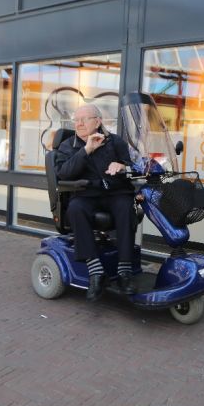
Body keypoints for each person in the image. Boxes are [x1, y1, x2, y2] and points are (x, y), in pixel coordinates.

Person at [55, 104, 136, 301]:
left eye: (84, 119)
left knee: (126, 207)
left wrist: (122, 166)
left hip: (115, 192)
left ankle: (124, 271)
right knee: (75, 208)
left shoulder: (115, 142)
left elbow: (133, 166)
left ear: (98, 121)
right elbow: (64, 173)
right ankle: (96, 271)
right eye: (76, 120)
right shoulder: (68, 146)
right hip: (86, 194)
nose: (79, 123)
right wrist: (86, 150)